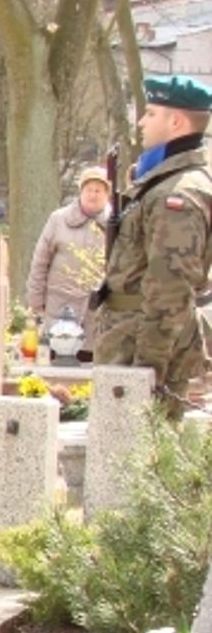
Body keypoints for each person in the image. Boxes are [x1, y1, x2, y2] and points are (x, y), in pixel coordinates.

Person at [94, 75, 212, 416]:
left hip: (139, 350)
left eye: (151, 114)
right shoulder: (160, 183)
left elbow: (170, 289)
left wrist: (148, 370)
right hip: (127, 341)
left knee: (134, 445)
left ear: (176, 122)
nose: (141, 123)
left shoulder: (176, 196)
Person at [26, 166, 109, 352]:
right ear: (81, 192)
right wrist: (35, 299)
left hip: (97, 310)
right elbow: (40, 261)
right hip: (60, 304)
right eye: (89, 190)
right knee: (59, 356)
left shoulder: (115, 224)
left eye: (98, 190)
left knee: (91, 359)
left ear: (106, 195)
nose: (93, 195)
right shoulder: (58, 219)